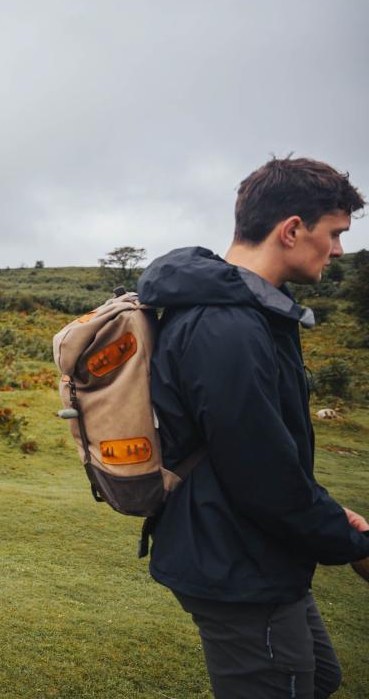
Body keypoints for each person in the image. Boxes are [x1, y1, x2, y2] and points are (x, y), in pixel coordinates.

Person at [137, 157, 369, 698]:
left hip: (245, 548)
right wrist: (352, 545)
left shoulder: (241, 312)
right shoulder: (228, 325)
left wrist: (330, 512)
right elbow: (262, 477)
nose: (338, 251)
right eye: (334, 235)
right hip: (236, 561)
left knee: (320, 677)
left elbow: (259, 448)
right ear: (291, 230)